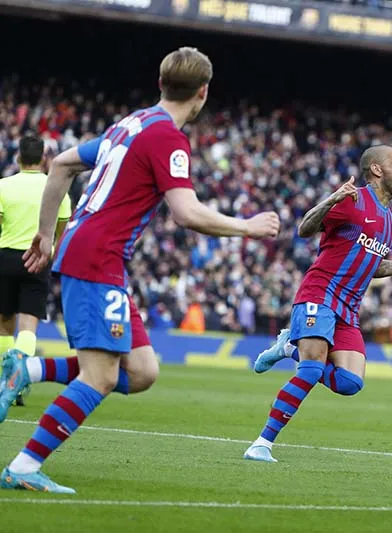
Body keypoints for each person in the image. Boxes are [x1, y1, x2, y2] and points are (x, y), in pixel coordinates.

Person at [0, 47, 280, 494]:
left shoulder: (131, 123)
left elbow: (64, 164)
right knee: (101, 376)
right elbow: (186, 212)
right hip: (98, 256)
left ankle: (26, 371)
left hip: (98, 254)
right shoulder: (167, 137)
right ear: (203, 92)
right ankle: (24, 465)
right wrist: (246, 226)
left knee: (142, 370)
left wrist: (48, 233)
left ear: (161, 83)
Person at [243, 145, 392, 463]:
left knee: (350, 382)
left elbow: (374, 265)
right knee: (311, 371)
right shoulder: (353, 201)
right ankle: (261, 444)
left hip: (348, 309)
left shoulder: (390, 221)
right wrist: (331, 200)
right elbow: (304, 229)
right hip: (320, 294)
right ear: (376, 169)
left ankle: (288, 348)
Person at [0, 135, 72, 412]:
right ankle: (18, 382)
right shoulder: (56, 188)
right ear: (44, 159)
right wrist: (49, 253)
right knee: (28, 324)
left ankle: (4, 379)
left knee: (4, 324)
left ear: (18, 157)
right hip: (39, 259)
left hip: (6, 257)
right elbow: (62, 229)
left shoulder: (4, 186)